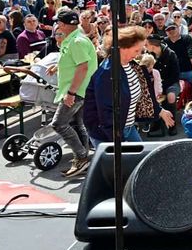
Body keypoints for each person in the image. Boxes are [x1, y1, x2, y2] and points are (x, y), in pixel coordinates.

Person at [84, 26, 174, 146]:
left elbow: (144, 95)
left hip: (128, 127)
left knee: (140, 161)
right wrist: (118, 143)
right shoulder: (107, 73)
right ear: (122, 48)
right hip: (109, 134)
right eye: (136, 50)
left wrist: (159, 110)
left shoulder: (131, 65)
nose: (138, 55)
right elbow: (106, 114)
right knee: (128, 163)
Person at [48, 10, 99, 177]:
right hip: (81, 90)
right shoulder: (74, 39)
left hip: (76, 90)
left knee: (59, 124)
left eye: (59, 22)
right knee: (78, 124)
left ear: (63, 24)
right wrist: (57, 67)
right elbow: (75, 61)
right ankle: (83, 157)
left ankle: (82, 157)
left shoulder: (76, 41)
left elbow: (82, 67)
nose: (57, 25)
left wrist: (71, 93)